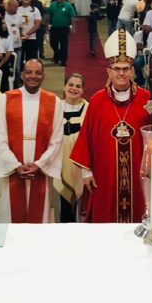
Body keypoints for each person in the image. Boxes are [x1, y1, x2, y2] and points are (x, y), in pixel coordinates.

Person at [71, 29, 152, 223]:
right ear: (109, 71)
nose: (122, 73)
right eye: (117, 68)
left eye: (126, 68)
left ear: (132, 70)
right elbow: (86, 138)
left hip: (137, 175)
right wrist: (86, 172)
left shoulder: (146, 99)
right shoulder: (98, 100)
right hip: (104, 175)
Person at [0, 60, 64, 223]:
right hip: (12, 169)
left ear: (43, 76)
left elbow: (57, 140)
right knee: (10, 215)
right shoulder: (6, 99)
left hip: (40, 171)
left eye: (38, 73)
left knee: (39, 217)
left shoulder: (54, 101)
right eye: (29, 72)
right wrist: (15, 165)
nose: (33, 76)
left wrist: (39, 165)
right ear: (22, 75)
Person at [55, 74, 88, 223]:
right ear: (64, 87)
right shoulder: (55, 108)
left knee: (81, 205)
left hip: (81, 166)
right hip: (59, 163)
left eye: (78, 86)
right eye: (70, 84)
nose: (73, 88)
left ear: (83, 90)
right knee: (62, 205)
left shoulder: (89, 109)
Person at [48, 0, 76, 66]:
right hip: (54, 28)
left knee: (64, 44)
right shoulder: (53, 5)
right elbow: (48, 15)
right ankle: (57, 54)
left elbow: (72, 17)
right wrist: (46, 24)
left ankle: (63, 61)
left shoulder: (68, 6)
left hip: (64, 28)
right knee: (53, 43)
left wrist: (73, 27)